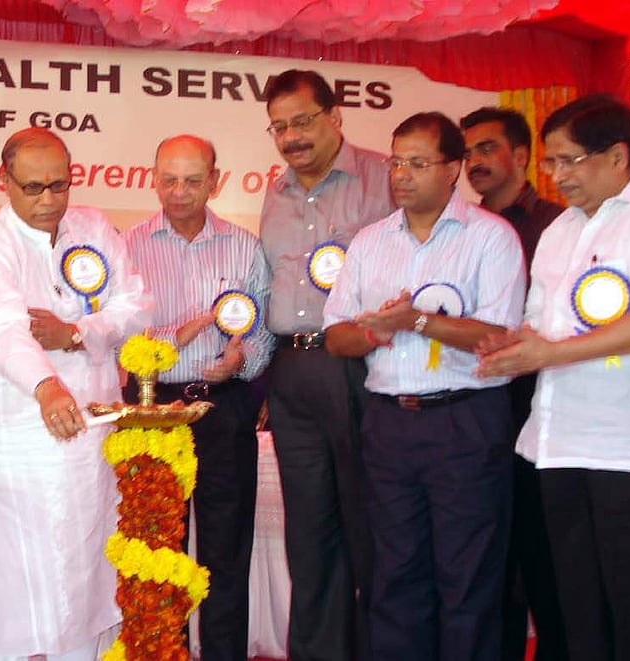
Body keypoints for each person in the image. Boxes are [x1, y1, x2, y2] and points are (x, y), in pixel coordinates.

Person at [324, 112, 526, 661]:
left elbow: (499, 335)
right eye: (396, 162)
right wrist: (374, 330)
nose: (402, 175)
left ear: (453, 169)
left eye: (418, 163)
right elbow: (336, 334)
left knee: (468, 578)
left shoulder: (492, 238)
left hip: (466, 420)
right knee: (394, 575)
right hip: (389, 423)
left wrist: (416, 321)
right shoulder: (370, 241)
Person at [0, 127, 153, 660]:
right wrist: (46, 386)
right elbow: (0, 329)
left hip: (90, 438)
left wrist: (76, 333)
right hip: (19, 447)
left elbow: (135, 304)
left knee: (86, 574)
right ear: (3, 183)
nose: (48, 201)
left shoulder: (92, 228)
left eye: (59, 186)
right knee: (18, 589)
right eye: (33, 188)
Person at [477, 95, 630, 661]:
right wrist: (506, 347)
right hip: (554, 446)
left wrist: (549, 354)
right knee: (573, 606)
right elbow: (539, 324)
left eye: (569, 160)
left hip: (627, 450)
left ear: (618, 156)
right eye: (551, 163)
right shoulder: (559, 230)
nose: (556, 176)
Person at [258, 69, 392, 661]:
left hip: (367, 368)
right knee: (308, 533)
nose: (291, 136)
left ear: (335, 117)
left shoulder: (384, 179)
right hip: (294, 371)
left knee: (374, 526)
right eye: (279, 126)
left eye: (303, 121)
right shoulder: (276, 192)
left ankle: (382, 648)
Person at [123, 134, 274, 661]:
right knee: (159, 550)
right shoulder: (128, 248)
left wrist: (243, 360)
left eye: (192, 180)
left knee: (226, 550)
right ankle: (165, 652)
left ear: (216, 181)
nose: (180, 192)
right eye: (169, 179)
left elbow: (262, 330)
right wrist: (182, 334)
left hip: (223, 407)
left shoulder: (245, 246)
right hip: (153, 411)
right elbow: (124, 341)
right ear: (152, 178)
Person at [460, 106, 568, 661]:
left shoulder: (558, 226)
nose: (474, 161)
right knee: (487, 564)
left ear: (522, 157)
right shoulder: (460, 230)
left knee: (545, 559)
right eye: (468, 151)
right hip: (476, 415)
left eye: (487, 149)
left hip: (543, 417)